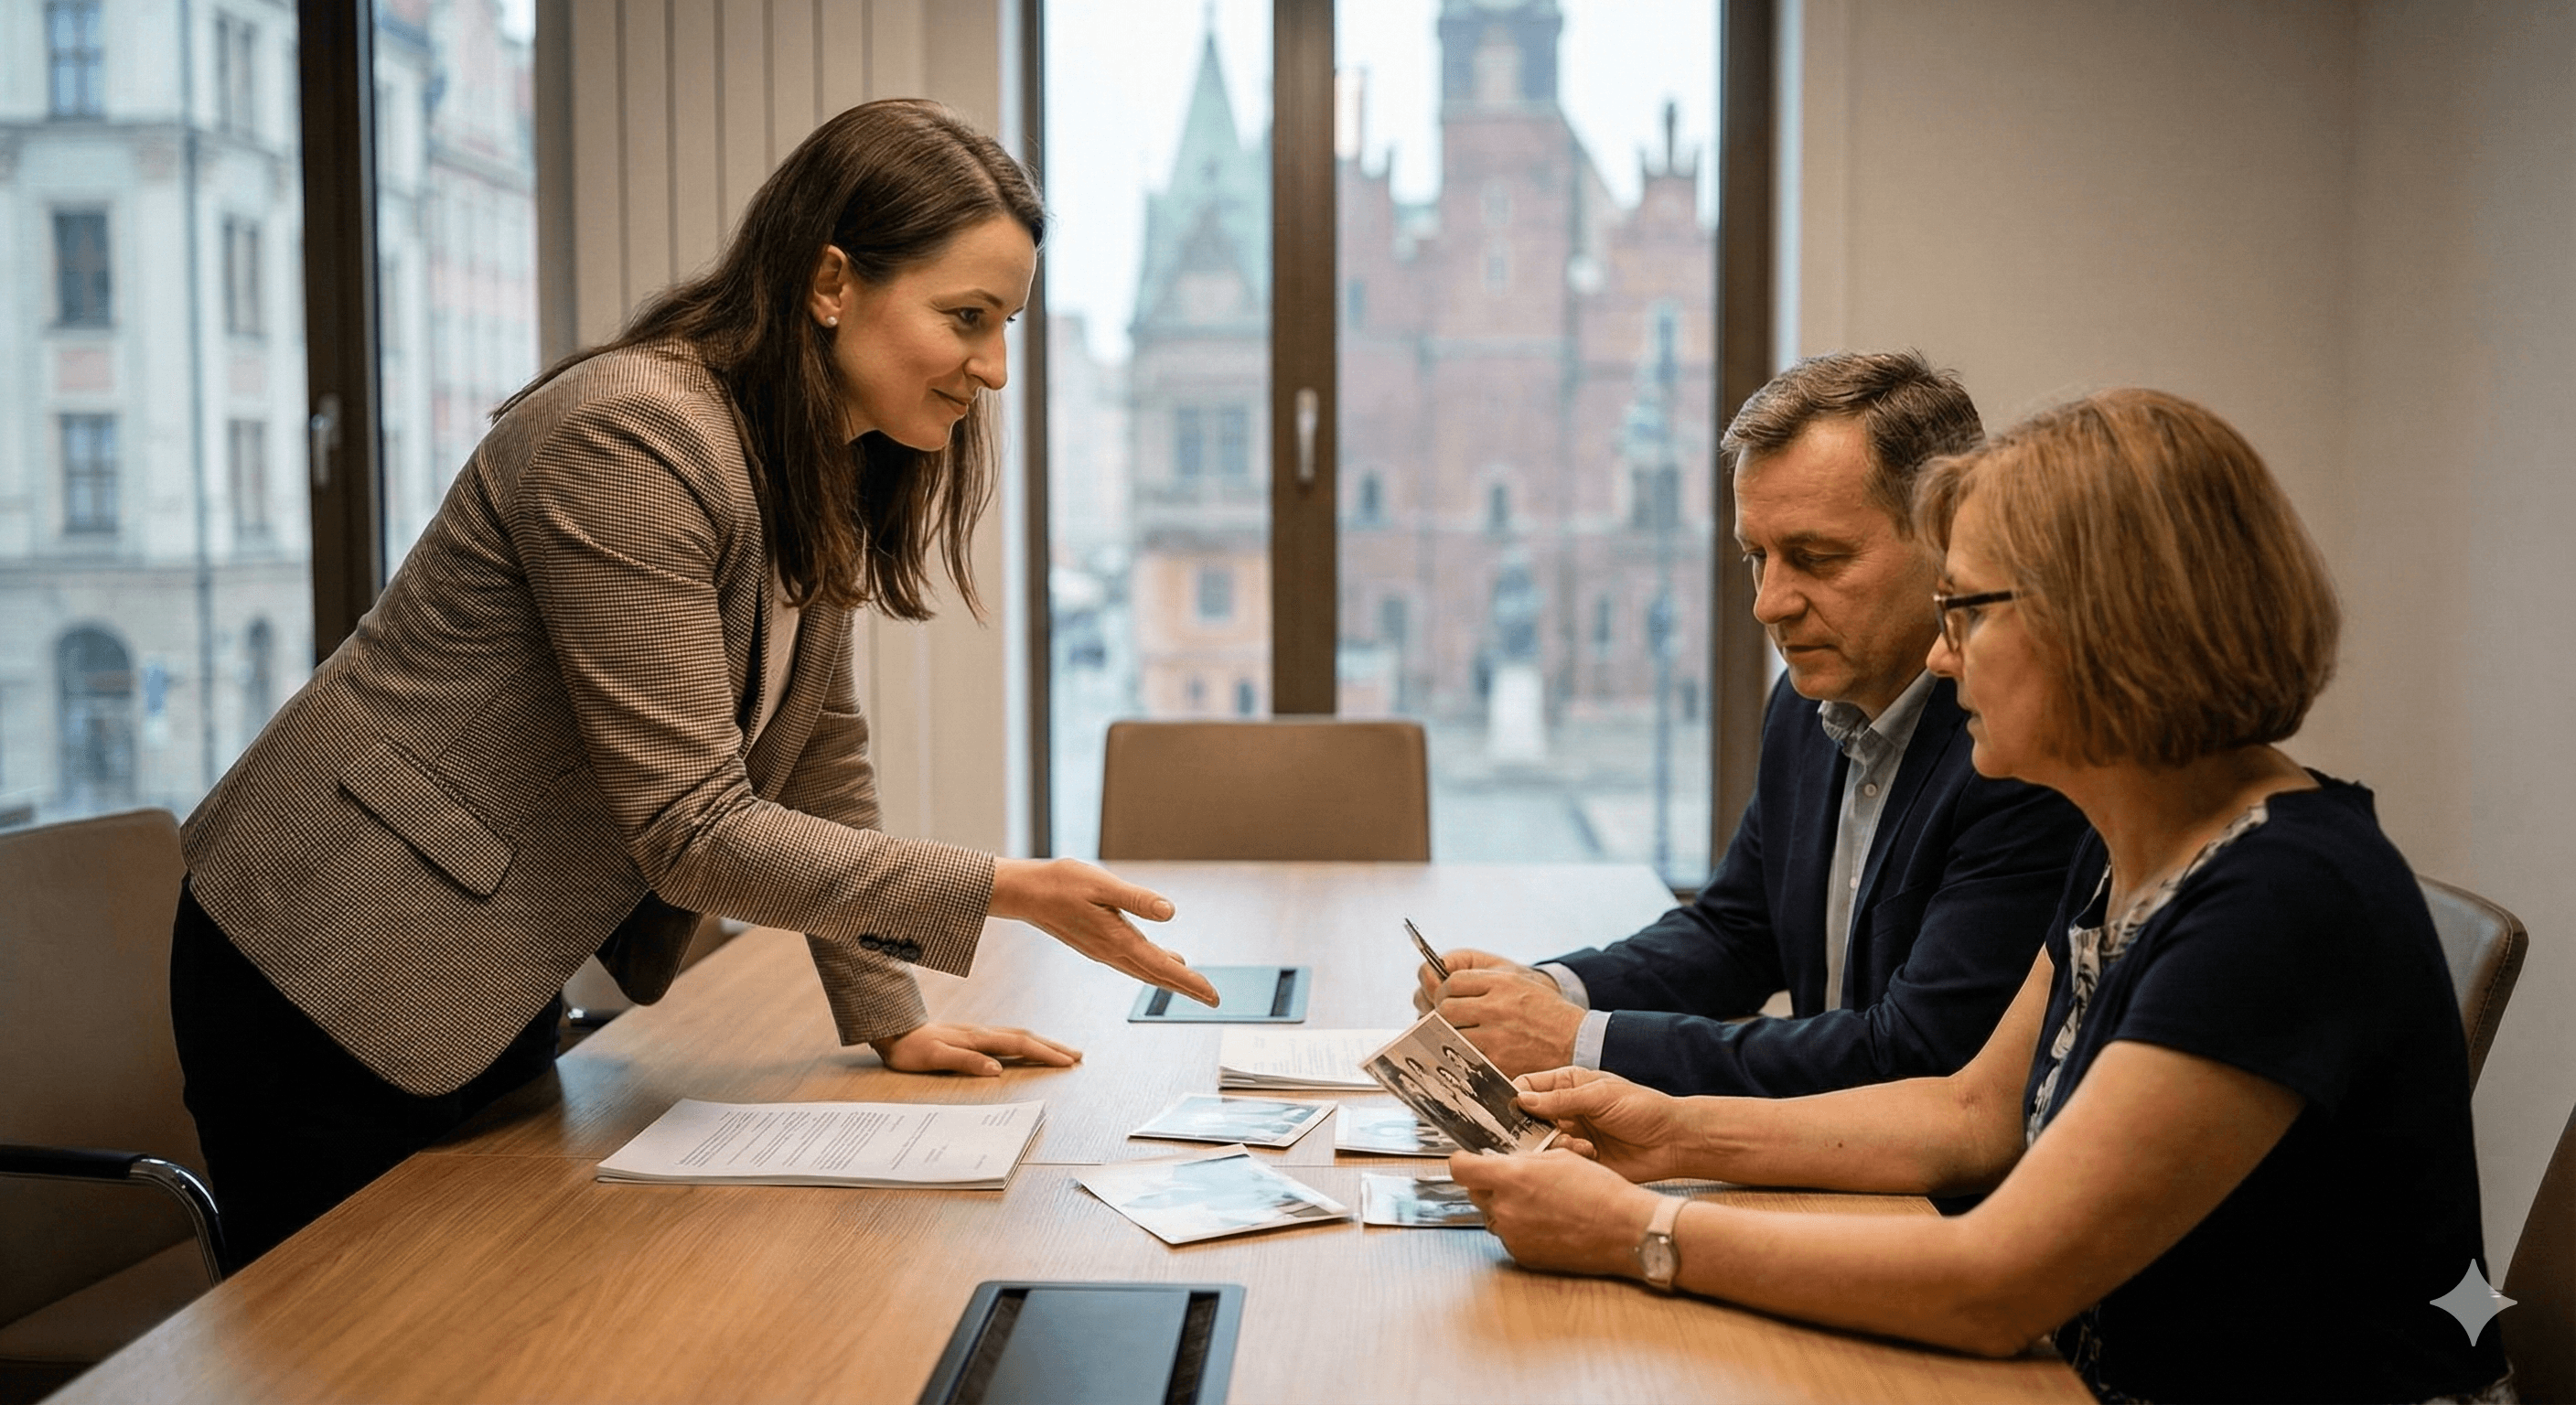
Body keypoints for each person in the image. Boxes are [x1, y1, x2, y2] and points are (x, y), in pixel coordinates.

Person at [170, 100, 1217, 1269]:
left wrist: (888, 1016)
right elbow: (691, 830)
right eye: (966, 317)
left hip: (481, 967)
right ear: (831, 282)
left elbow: (816, 752)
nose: (996, 368)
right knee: (360, 1338)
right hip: (324, 950)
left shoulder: (806, 454)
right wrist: (1005, 889)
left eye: (1007, 323)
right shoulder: (631, 439)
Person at [1450, 390, 2509, 1404]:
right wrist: (1667, 1132)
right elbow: (1967, 1116)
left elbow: (1992, 1285)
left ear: (2106, 624)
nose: (1939, 655)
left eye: (1961, 611)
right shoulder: (2136, 840)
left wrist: (1639, 1234)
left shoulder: (2276, 898)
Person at [1418, 351, 2088, 1098]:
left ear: (1944, 540)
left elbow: (1914, 1052)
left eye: (1815, 558)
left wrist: (1579, 1040)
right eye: (1756, 558)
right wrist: (1549, 990)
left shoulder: (2014, 747)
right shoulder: (1805, 705)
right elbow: (1738, 932)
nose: (1770, 604)